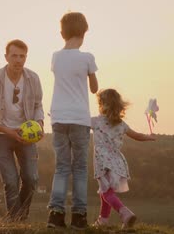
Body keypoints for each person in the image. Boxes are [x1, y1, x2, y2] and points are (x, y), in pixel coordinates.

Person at [0, 39, 45, 221]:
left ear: (26, 58)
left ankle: (19, 218)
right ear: (6, 57)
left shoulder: (33, 78)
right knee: (10, 181)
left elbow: (38, 105)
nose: (18, 60)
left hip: (26, 135)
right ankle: (16, 223)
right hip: (1, 135)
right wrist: (6, 130)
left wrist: (39, 123)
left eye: (22, 56)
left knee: (31, 180)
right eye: (14, 55)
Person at [47, 12, 98, 229]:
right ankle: (79, 216)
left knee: (61, 167)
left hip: (58, 117)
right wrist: (89, 74)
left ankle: (55, 215)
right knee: (79, 168)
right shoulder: (87, 57)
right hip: (79, 118)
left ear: (62, 34)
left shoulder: (55, 57)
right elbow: (94, 88)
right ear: (84, 32)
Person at [91, 88, 156, 228]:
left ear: (102, 104)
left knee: (106, 193)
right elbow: (137, 136)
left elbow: (78, 123)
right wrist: (148, 138)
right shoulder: (122, 124)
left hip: (103, 163)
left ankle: (124, 213)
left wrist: (61, 117)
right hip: (117, 162)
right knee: (106, 192)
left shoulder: (96, 121)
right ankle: (103, 220)